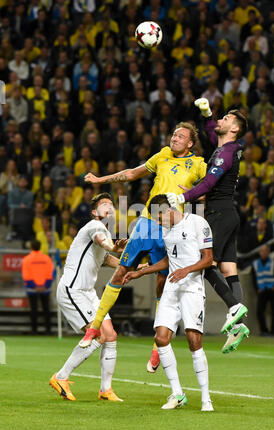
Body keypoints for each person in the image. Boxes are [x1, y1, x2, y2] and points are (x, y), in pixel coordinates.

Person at [79, 122, 207, 372]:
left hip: (172, 228)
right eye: (173, 134)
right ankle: (93, 327)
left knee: (163, 283)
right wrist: (100, 180)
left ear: (190, 143)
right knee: (121, 272)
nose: (174, 138)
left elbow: (209, 189)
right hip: (148, 222)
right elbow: (131, 173)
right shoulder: (162, 155)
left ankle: (157, 347)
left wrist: (194, 194)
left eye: (180, 136)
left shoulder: (200, 164)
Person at [167, 98, 250, 353]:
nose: (220, 121)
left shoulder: (226, 152)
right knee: (228, 268)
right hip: (229, 213)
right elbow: (211, 130)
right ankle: (239, 325)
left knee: (205, 263)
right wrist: (207, 114)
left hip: (218, 214)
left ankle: (235, 308)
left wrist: (183, 197)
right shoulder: (227, 147)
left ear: (234, 128)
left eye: (226, 119)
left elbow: (209, 184)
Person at [123, 194, 214, 411]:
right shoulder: (165, 230)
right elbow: (168, 260)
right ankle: (177, 394)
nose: (158, 222)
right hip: (172, 289)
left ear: (168, 210)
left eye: (159, 218)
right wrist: (141, 272)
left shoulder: (197, 223)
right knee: (161, 338)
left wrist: (187, 269)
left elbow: (208, 258)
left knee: (194, 341)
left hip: (192, 289)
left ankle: (206, 398)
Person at [49, 193, 127, 402]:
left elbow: (107, 258)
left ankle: (105, 390)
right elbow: (104, 244)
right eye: (104, 205)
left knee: (110, 335)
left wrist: (136, 267)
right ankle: (61, 377)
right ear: (95, 212)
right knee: (99, 334)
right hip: (73, 290)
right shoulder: (95, 227)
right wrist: (113, 247)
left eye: (111, 204)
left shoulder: (105, 231)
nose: (108, 207)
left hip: (88, 293)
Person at [21, 239, 54, 335]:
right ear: (40, 246)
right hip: (45, 288)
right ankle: (48, 330)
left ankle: (34, 330)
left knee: (34, 309)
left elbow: (26, 275)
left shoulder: (27, 259)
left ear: (31, 247)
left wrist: (34, 286)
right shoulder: (47, 258)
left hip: (32, 288)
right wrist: (45, 285)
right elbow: (50, 274)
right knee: (46, 310)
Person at [251, 244, 274, 336]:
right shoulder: (255, 264)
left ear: (268, 252)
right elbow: (253, 279)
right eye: (262, 251)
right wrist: (257, 289)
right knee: (259, 311)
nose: (263, 253)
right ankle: (264, 331)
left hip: (273, 290)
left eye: (265, 251)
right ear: (259, 252)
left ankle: (273, 331)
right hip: (262, 290)